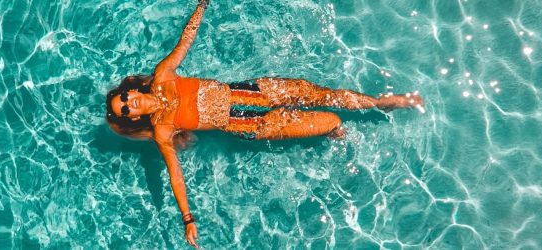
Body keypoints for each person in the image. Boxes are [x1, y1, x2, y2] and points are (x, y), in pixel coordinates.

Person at [104, 0, 423, 248]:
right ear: (132, 118)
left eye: (126, 98)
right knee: (331, 121)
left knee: (323, 95)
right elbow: (174, 174)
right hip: (253, 123)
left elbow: (184, 42)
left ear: (131, 90)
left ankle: (381, 103)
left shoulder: (163, 76)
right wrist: (188, 218)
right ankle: (332, 130)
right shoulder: (162, 128)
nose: (130, 104)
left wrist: (201, 6)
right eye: (126, 110)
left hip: (255, 89)